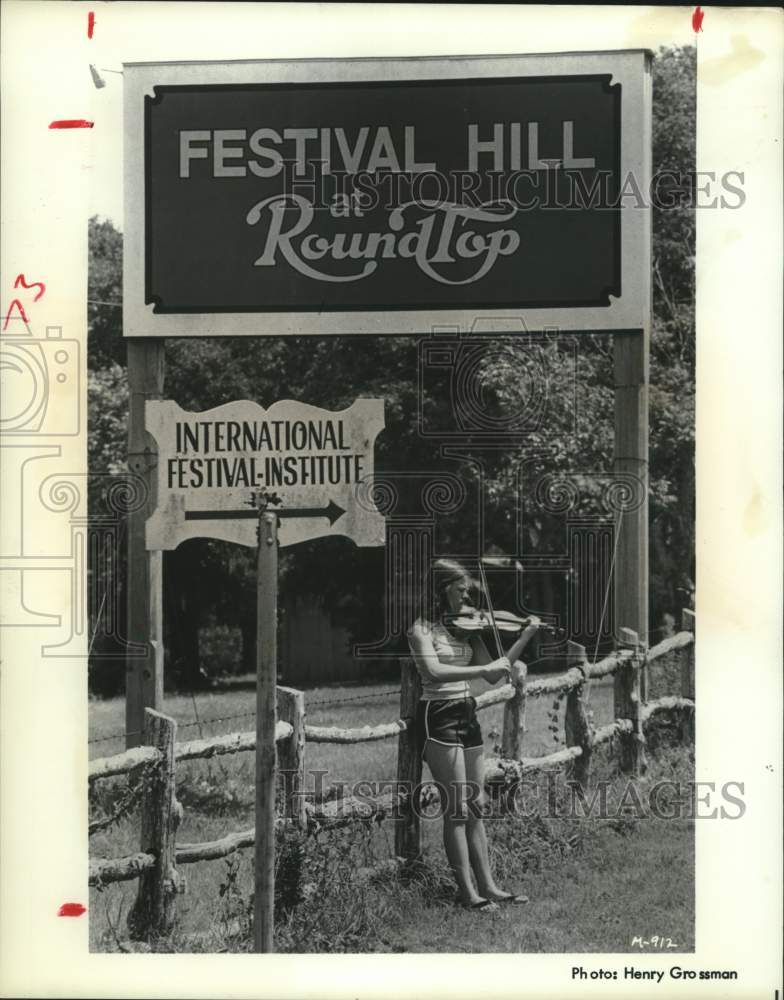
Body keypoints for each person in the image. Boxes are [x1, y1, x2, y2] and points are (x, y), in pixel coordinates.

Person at [407, 558, 540, 912]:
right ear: (441, 588)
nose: (468, 595)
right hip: (438, 715)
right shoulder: (421, 629)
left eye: (468, 589)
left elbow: (498, 675)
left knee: (476, 807)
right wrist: (482, 667)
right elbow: (433, 672)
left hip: (467, 713)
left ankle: (490, 887)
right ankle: (467, 894)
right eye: (461, 588)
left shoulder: (468, 628)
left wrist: (524, 636)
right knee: (457, 811)